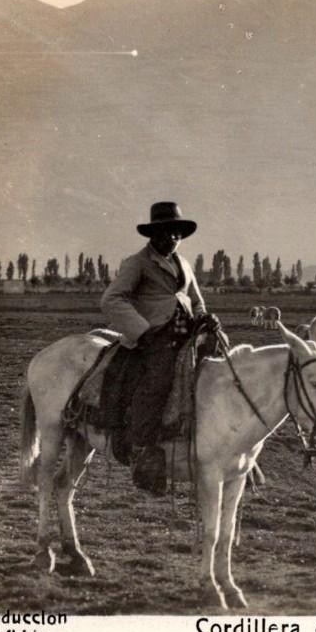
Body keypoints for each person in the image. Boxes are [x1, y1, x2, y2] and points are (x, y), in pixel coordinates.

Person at [101, 201, 217, 493]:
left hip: (186, 332)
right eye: (166, 232)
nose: (173, 238)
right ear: (153, 234)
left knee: (219, 369)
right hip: (153, 337)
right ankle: (141, 448)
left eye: (177, 233)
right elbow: (112, 299)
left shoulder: (184, 264)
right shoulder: (137, 263)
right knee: (159, 380)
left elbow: (196, 301)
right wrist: (141, 331)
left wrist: (204, 318)